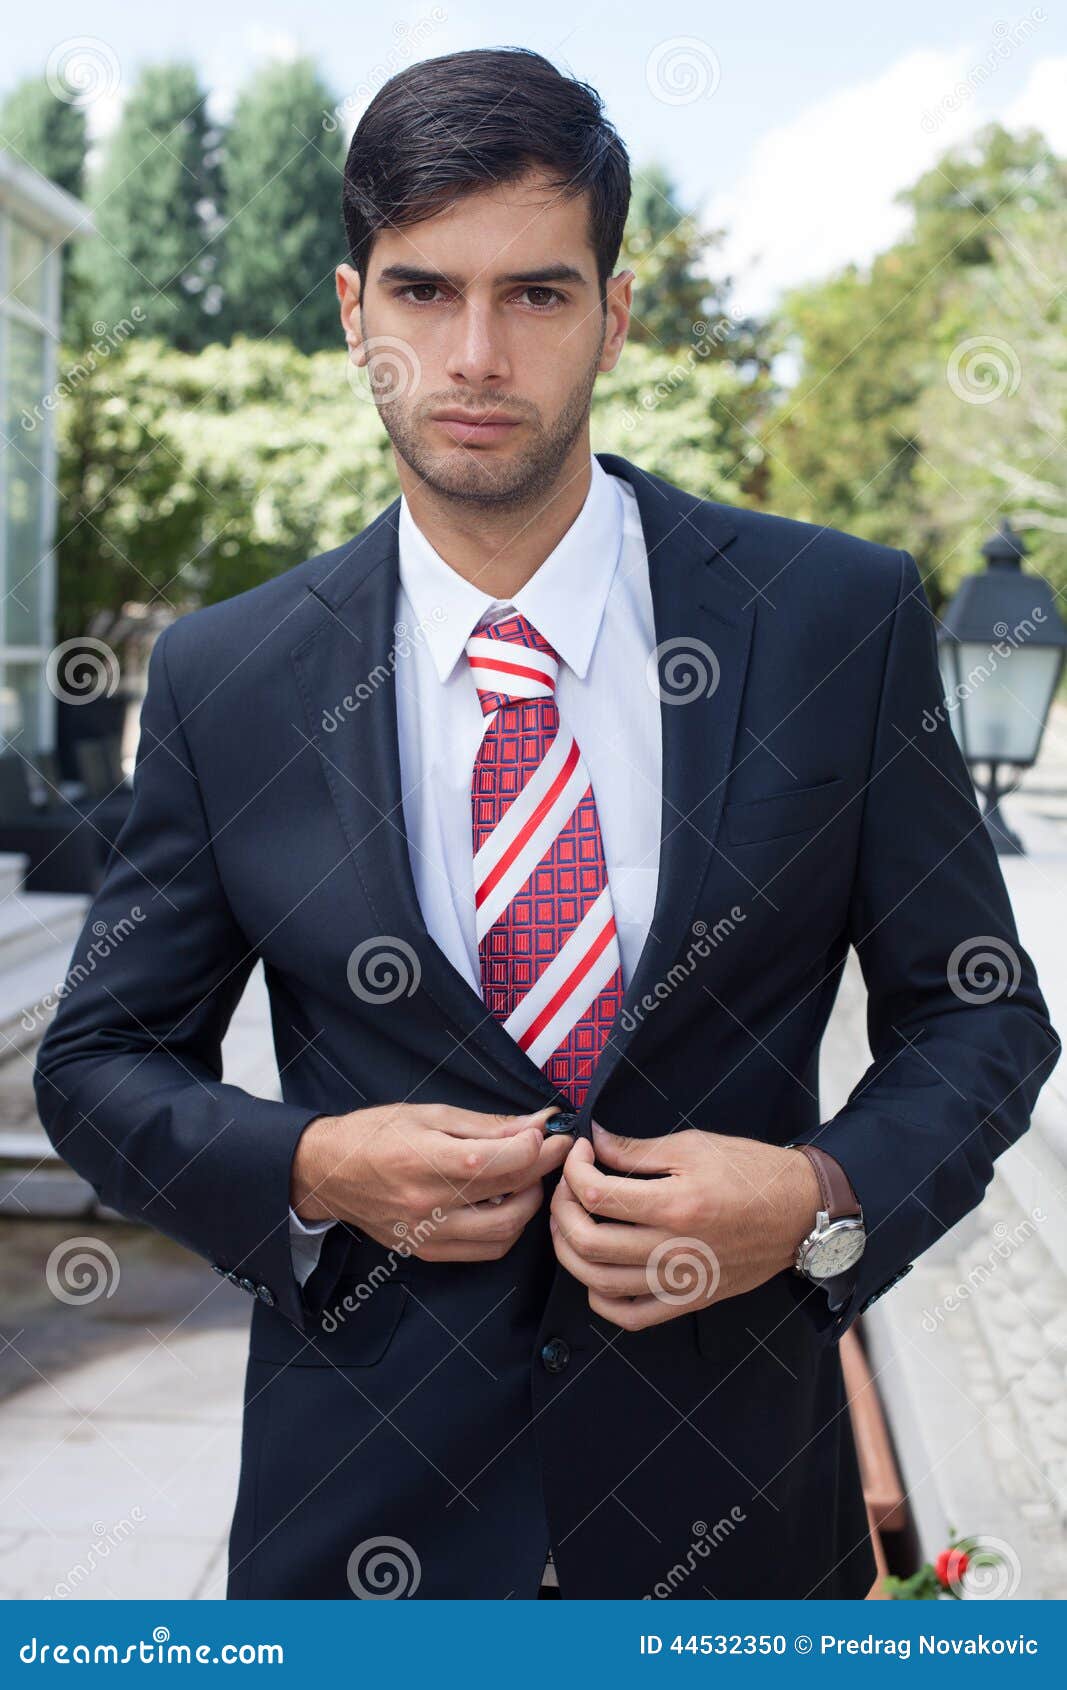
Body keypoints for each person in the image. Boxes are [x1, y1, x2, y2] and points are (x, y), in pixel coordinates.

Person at [34, 46, 1059, 1601]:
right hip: (360, 1528)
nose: (475, 353)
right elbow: (99, 1062)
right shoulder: (230, 678)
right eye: (425, 291)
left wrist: (817, 1199)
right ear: (351, 312)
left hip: (737, 1525)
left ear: (617, 313)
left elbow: (980, 1023)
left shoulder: (830, 623)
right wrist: (310, 1163)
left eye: (537, 294)